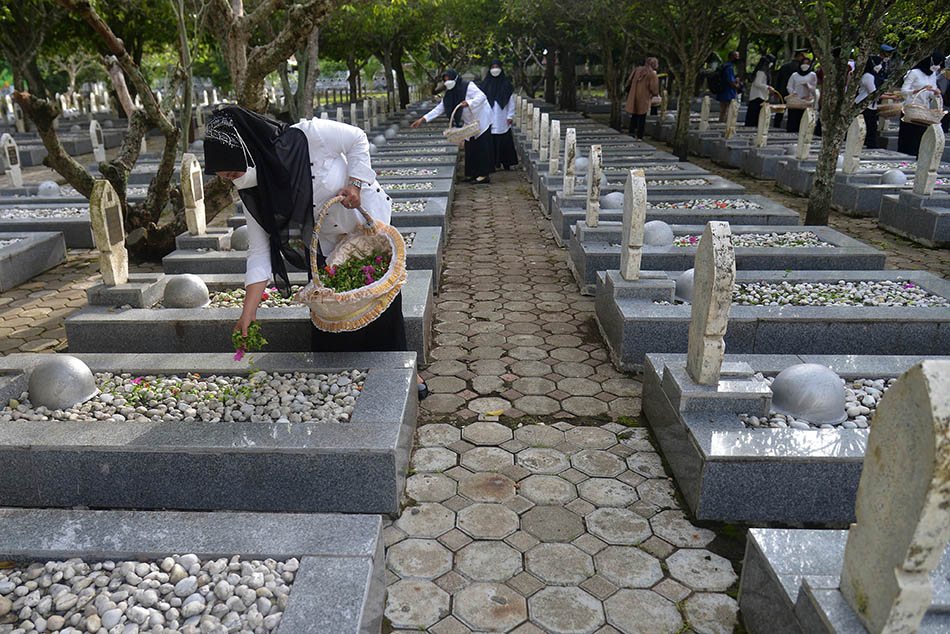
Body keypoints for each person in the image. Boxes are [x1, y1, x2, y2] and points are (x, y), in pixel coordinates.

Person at [203, 105, 428, 399]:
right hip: (323, 247)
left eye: (235, 172)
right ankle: (344, 388)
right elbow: (259, 253)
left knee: (379, 310)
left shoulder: (309, 136)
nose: (235, 181)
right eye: (226, 178)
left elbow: (358, 138)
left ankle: (402, 373)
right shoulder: (256, 195)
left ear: (249, 150)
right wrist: (248, 314)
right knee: (329, 318)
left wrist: (355, 183)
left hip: (364, 231)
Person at [411, 69, 493, 184]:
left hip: (481, 117)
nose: (447, 82)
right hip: (469, 122)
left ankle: (483, 175)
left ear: (455, 78)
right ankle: (473, 173)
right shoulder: (449, 94)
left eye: (449, 79)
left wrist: (469, 103)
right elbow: (440, 108)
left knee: (481, 147)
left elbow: (482, 97)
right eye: (445, 80)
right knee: (470, 148)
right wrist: (423, 119)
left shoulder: (468, 86)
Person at [898, 50, 945, 156]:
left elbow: (931, 92)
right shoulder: (914, 73)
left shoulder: (932, 75)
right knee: (908, 139)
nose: (937, 67)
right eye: (936, 64)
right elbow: (904, 91)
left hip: (924, 111)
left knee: (919, 139)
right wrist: (918, 90)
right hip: (910, 110)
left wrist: (935, 92)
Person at [479, 60, 517, 170]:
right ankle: (493, 163)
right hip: (489, 116)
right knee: (491, 140)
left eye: (497, 67)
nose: (495, 69)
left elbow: (510, 101)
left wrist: (510, 115)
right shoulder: (485, 84)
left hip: (502, 116)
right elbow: (480, 101)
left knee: (504, 139)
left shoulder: (506, 84)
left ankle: (506, 163)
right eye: (493, 67)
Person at [625, 57, 660, 138]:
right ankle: (640, 135)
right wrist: (655, 94)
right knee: (642, 115)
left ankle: (631, 132)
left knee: (634, 114)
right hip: (644, 96)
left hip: (634, 95)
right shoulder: (652, 74)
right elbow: (654, 89)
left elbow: (629, 80)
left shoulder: (637, 70)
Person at [856, 55, 884, 148]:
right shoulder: (868, 76)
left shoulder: (873, 76)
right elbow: (872, 92)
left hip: (871, 106)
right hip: (865, 105)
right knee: (867, 128)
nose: (880, 66)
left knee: (871, 128)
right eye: (879, 63)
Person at [774, 48, 807, 128]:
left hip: (783, 91)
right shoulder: (800, 69)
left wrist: (776, 91)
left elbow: (778, 79)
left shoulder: (784, 66)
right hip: (794, 93)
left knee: (781, 110)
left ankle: (776, 125)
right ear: (799, 56)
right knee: (793, 111)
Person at [785, 56, 818, 133]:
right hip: (795, 101)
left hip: (806, 101)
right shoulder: (794, 75)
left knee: (803, 120)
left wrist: (808, 86)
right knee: (793, 120)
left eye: (807, 63)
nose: (805, 65)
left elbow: (814, 88)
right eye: (803, 63)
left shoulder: (812, 75)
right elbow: (789, 86)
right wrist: (793, 93)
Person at [744, 54, 774, 127]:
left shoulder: (764, 71)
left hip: (761, 95)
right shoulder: (761, 72)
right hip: (757, 96)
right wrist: (767, 87)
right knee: (754, 114)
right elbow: (757, 83)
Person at [717, 51, 741, 122]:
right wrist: (737, 86)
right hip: (728, 93)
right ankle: (725, 125)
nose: (737, 58)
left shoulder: (725, 65)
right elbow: (730, 81)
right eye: (736, 56)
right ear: (732, 57)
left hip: (723, 91)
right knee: (727, 111)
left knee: (723, 111)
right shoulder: (729, 67)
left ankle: (722, 123)